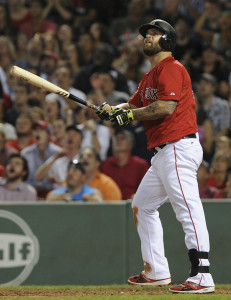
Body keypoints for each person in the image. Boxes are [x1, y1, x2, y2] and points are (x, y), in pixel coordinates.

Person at [96, 19, 215, 293]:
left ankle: (202, 275)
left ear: (167, 40)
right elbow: (133, 105)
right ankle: (156, 271)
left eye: (154, 33)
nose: (147, 37)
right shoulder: (150, 75)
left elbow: (165, 107)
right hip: (163, 153)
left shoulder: (171, 68)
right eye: (146, 34)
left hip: (178, 147)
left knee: (187, 208)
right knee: (142, 205)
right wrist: (112, 110)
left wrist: (128, 115)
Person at [101, 129, 149, 200]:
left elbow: (148, 187)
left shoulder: (140, 164)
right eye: (116, 138)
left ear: (131, 144)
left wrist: (139, 196)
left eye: (123, 138)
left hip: (133, 205)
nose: (118, 141)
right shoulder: (105, 165)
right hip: (110, 204)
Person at [21, 120, 61, 199]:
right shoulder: (25, 153)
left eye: (41, 130)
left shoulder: (58, 152)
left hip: (53, 193)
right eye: (35, 130)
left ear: (48, 134)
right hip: (30, 193)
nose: (37, 133)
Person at [35, 125, 83, 189]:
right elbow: (38, 177)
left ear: (81, 141)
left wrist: (60, 182)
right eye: (68, 134)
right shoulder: (57, 158)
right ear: (64, 138)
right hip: (58, 196)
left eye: (74, 135)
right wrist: (55, 158)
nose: (71, 137)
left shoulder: (84, 159)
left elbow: (86, 182)